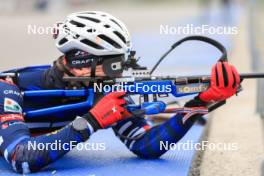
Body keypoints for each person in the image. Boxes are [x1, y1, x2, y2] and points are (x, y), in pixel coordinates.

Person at [0, 11, 240, 174]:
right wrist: (91, 121)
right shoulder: (7, 87)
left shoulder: (101, 88)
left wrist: (201, 101)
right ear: (82, 62)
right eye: (112, 66)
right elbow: (21, 159)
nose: (118, 74)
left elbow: (147, 145)